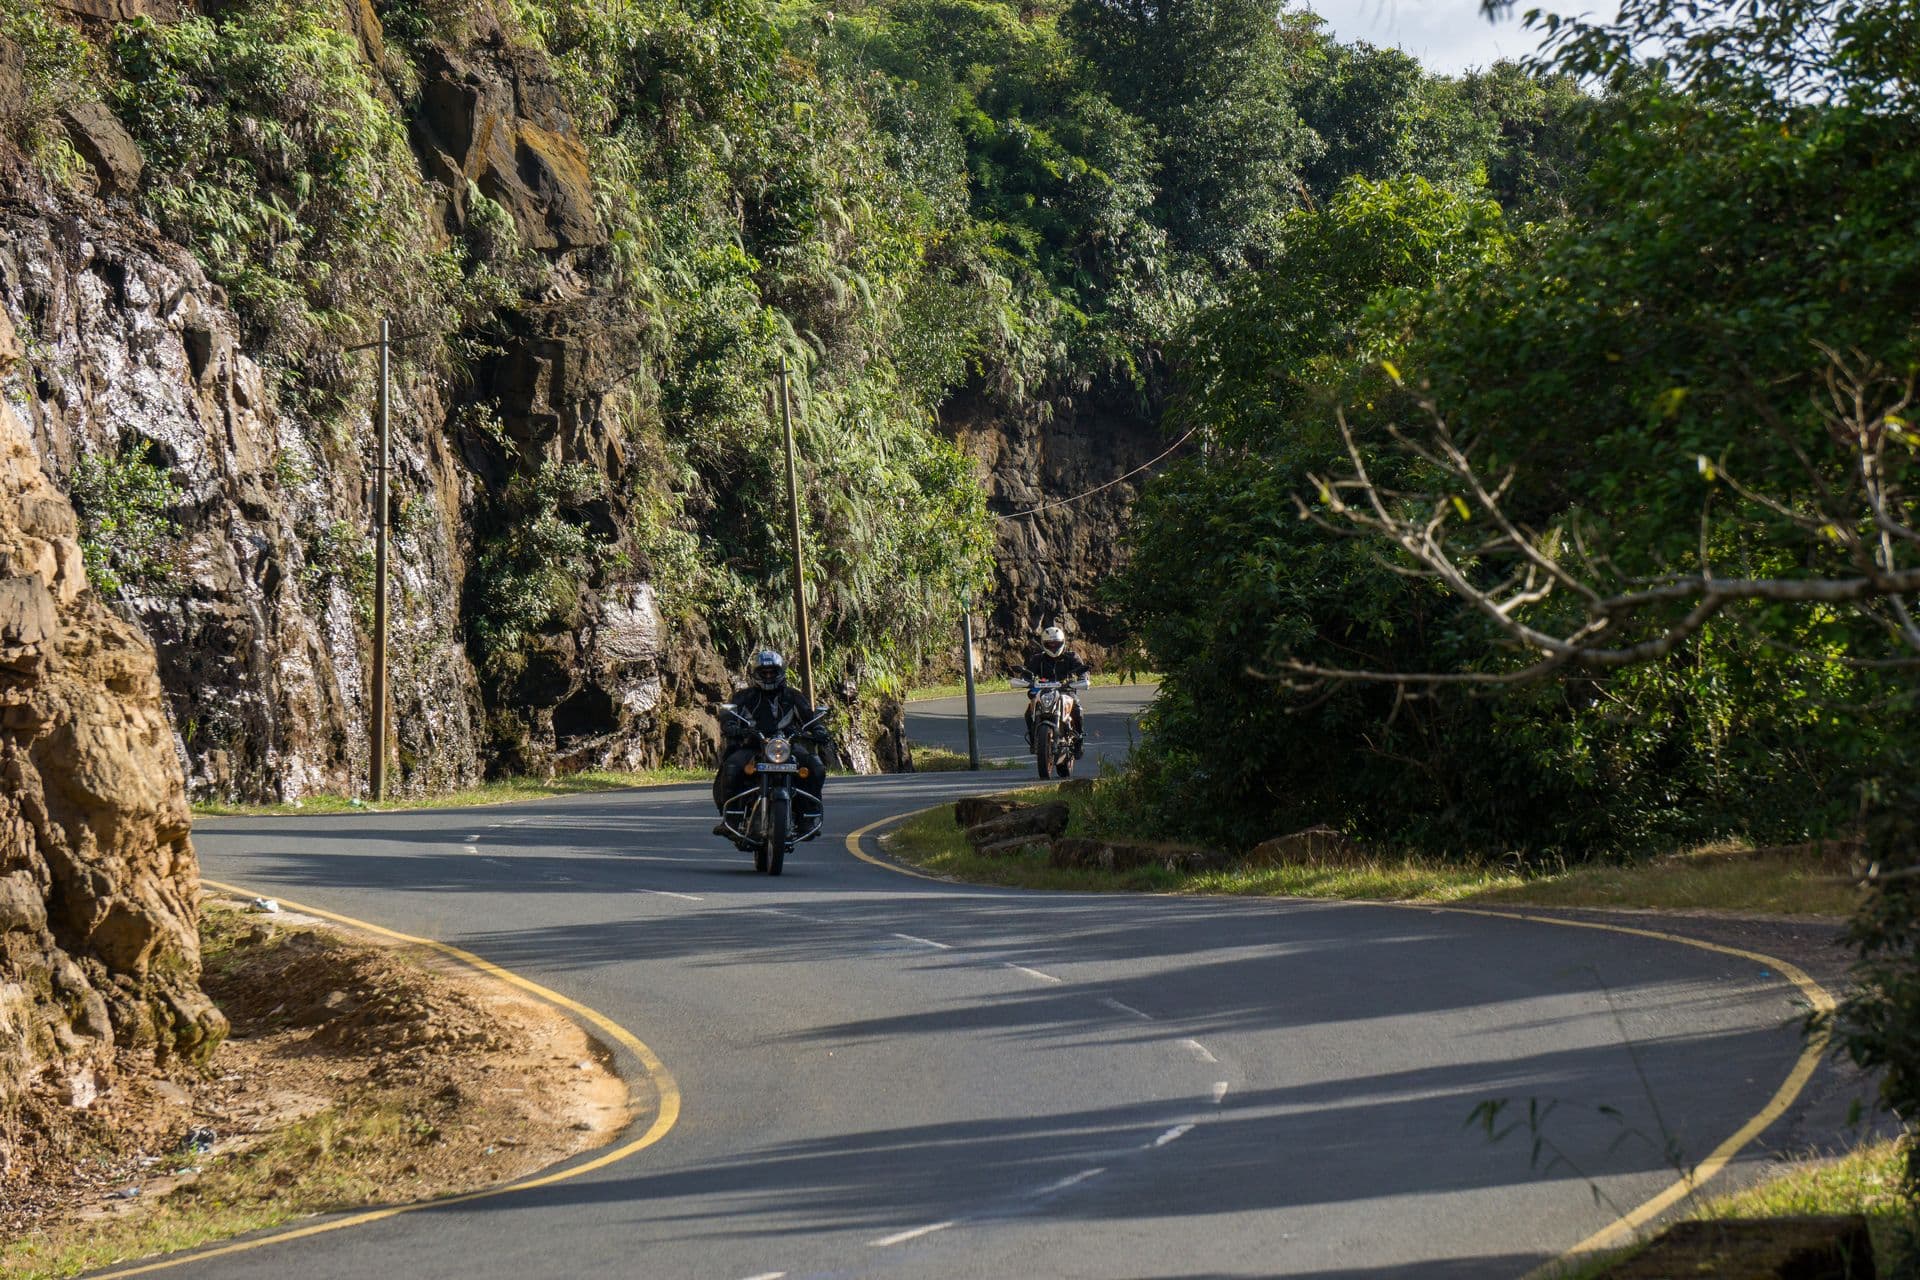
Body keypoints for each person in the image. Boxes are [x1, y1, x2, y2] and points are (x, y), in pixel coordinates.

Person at [712, 650, 828, 840]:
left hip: (786, 745)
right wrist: (731, 726)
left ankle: (808, 816)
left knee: (815, 767)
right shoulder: (743, 697)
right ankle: (731, 817)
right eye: (763, 673)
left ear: (780, 672)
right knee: (732, 765)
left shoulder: (793, 697)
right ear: (755, 674)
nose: (768, 676)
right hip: (752, 745)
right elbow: (729, 716)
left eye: (772, 672)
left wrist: (818, 730)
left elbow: (810, 718)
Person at [1016, 625, 1090, 758]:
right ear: (1044, 644)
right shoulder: (1038, 658)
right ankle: (1034, 741)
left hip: (1066, 691)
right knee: (1029, 712)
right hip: (1044, 691)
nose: (1053, 647)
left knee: (1077, 709)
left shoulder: (1071, 657)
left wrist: (1082, 679)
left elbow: (1082, 671)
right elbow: (1028, 673)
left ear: (1062, 643)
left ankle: (1079, 740)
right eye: (1050, 644)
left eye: (1056, 644)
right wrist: (1025, 679)